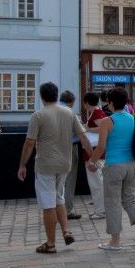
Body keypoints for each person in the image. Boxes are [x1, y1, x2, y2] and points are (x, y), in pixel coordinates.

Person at [18, 82, 93, 254]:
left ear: (41, 96)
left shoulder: (38, 115)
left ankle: (50, 243)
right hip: (65, 163)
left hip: (46, 164)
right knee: (59, 197)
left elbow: (30, 142)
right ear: (57, 95)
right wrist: (91, 157)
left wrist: (22, 164)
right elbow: (83, 136)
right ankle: (66, 231)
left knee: (48, 203)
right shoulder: (69, 113)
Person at [90, 87, 135, 251]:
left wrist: (92, 161)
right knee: (130, 199)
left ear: (111, 103)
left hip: (114, 166)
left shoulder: (108, 121)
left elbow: (101, 147)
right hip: (132, 165)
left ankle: (115, 241)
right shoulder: (133, 119)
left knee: (112, 202)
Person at [59, 90, 84, 220]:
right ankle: (68, 210)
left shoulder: (49, 111)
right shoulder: (70, 113)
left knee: (57, 180)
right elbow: (80, 133)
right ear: (72, 101)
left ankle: (55, 209)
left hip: (55, 149)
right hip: (70, 147)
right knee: (69, 180)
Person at [82, 92, 107, 219]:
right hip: (97, 151)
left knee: (96, 183)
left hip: (95, 151)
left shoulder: (96, 113)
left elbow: (103, 128)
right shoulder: (97, 112)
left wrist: (88, 129)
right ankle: (99, 209)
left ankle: (101, 211)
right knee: (97, 182)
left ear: (87, 102)